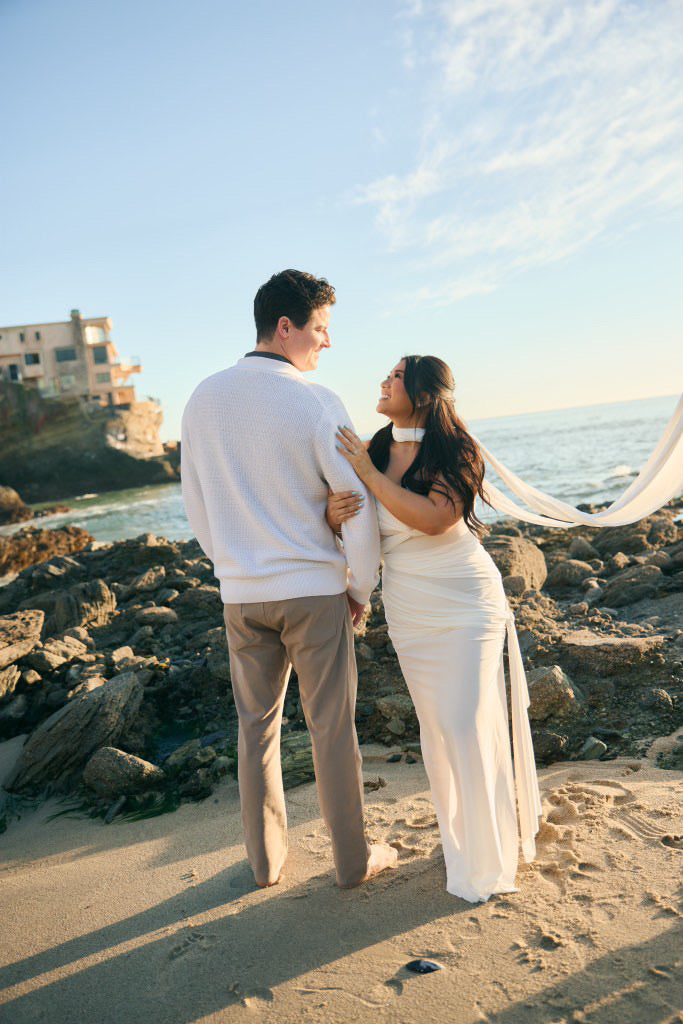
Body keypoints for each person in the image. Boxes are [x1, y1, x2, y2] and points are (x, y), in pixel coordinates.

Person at [181, 269, 397, 890]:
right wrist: (360, 587)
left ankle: (266, 863)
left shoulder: (201, 398)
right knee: (332, 727)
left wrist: (232, 565)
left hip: (241, 595)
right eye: (320, 329)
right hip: (311, 591)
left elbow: (196, 505)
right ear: (285, 327)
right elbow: (352, 502)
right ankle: (353, 863)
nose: (326, 343)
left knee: (256, 730)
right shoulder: (315, 400)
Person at [327, 355, 542, 902]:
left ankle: (489, 851)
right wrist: (334, 521)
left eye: (395, 376)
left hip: (465, 599)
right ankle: (462, 839)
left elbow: (436, 518)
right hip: (408, 607)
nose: (383, 381)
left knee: (466, 721)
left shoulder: (455, 450)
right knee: (439, 731)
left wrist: (371, 479)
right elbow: (354, 523)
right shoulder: (373, 446)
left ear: (422, 393)